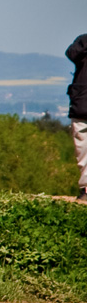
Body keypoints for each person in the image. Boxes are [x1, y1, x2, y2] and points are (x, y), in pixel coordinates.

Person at [66, 32, 87, 203]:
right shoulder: (83, 42)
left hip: (81, 102)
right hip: (82, 105)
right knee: (82, 151)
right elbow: (71, 54)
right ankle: (86, 189)